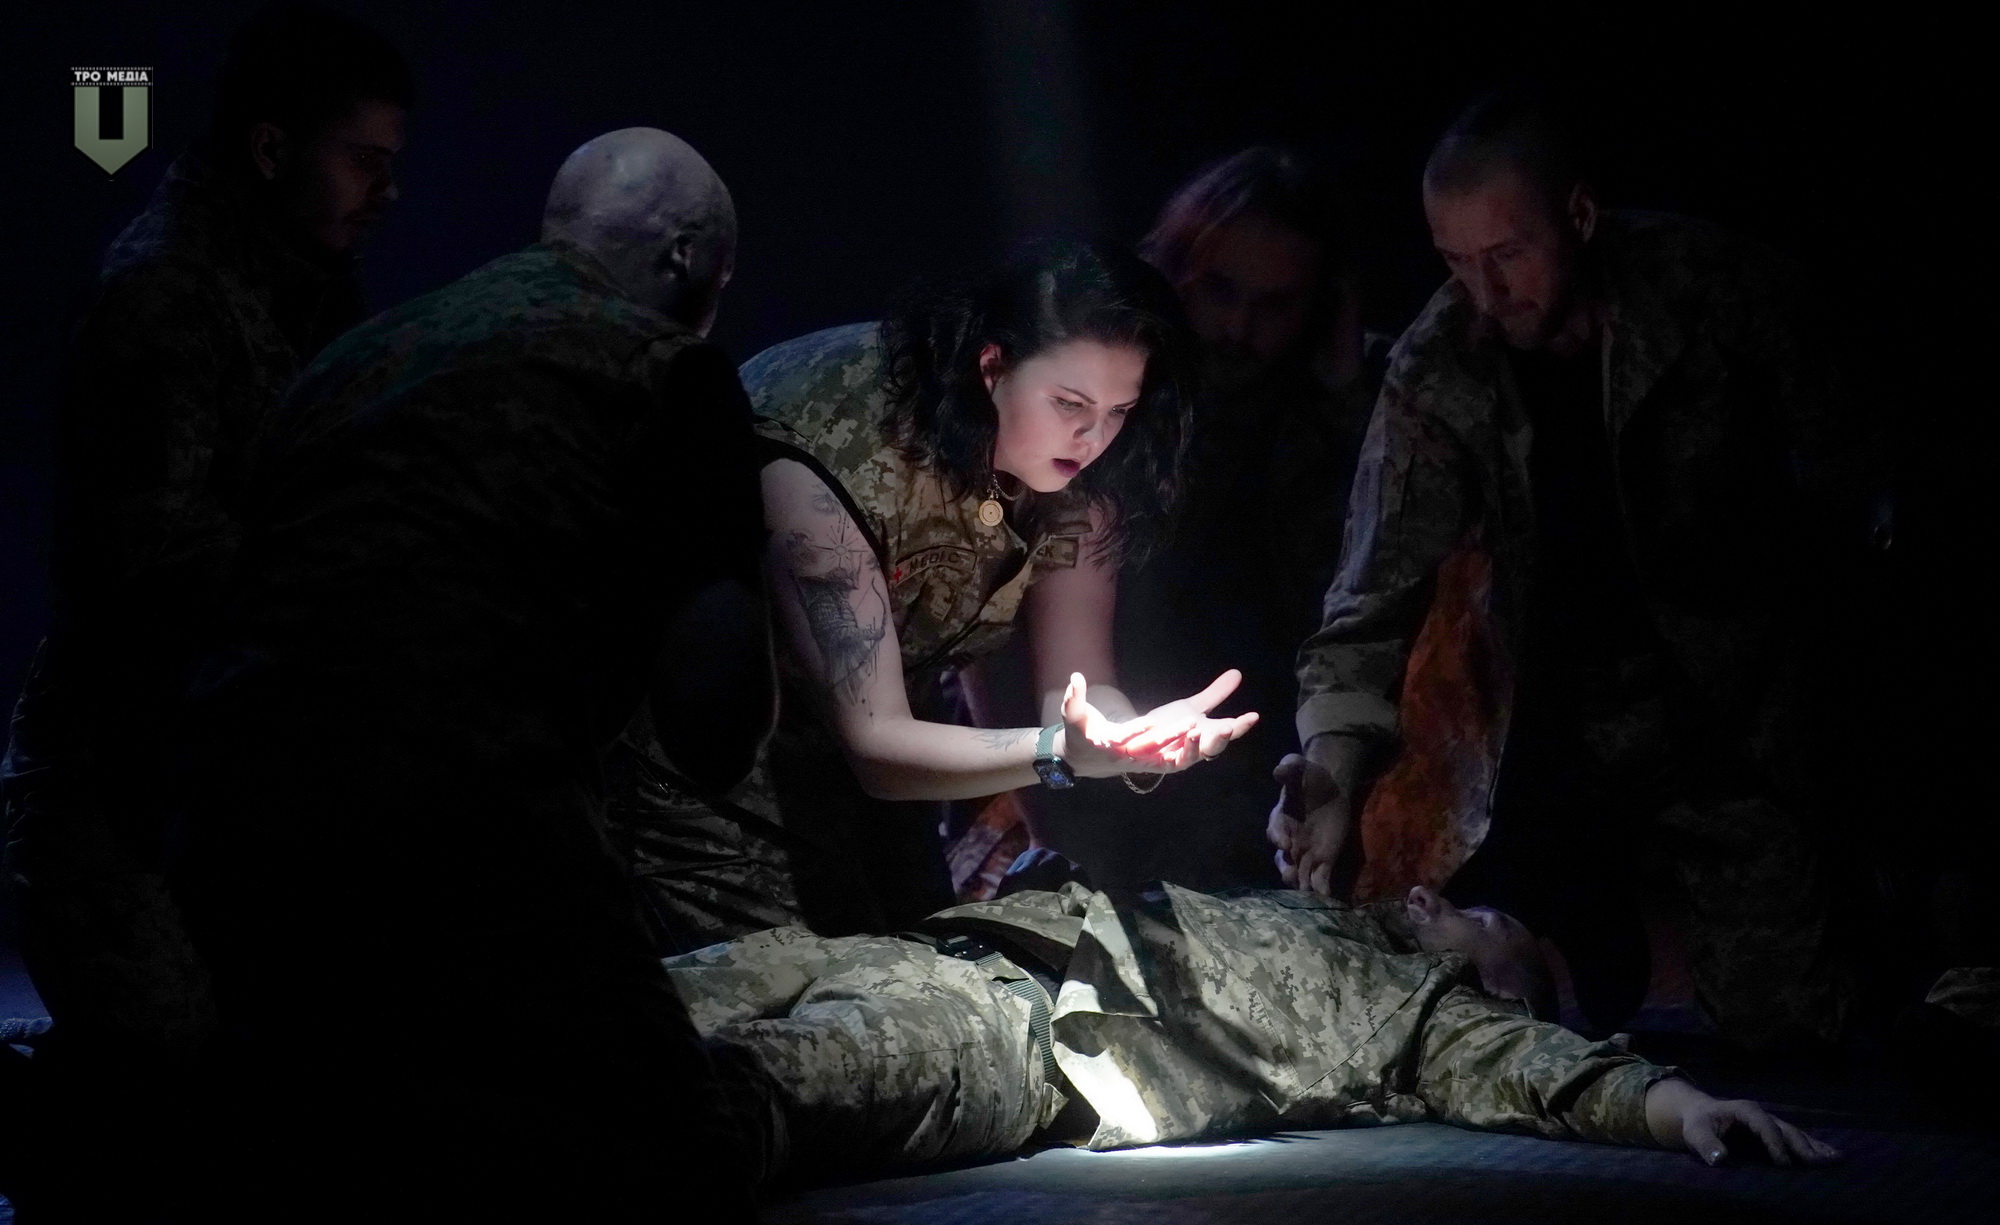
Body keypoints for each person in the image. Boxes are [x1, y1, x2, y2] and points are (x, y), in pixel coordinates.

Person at [167, 127, 772, 1225]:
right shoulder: (663, 371)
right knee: (683, 1185)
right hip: (466, 815)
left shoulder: (357, 356)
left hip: (230, 818)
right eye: (719, 278)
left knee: (372, 1175)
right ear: (685, 257)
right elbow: (712, 727)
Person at [1271, 89, 1873, 1051]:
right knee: (1448, 999)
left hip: (1736, 723)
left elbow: (1854, 500)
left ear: (1580, 216)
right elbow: (1366, 602)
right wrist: (1333, 771)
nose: (1485, 292)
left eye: (1508, 254)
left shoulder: (1716, 293)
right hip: (1537, 748)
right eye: (1455, 261)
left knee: (1797, 1028)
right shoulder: (1442, 364)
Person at [0, 7, 410, 1225]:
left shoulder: (303, 277)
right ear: (273, 148)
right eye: (361, 159)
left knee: (270, 1054)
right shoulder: (166, 296)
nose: (385, 192)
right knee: (157, 1052)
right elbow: (157, 568)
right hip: (122, 772)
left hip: (239, 758)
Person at [614, 237, 1257, 951]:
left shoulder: (1080, 469)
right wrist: (1061, 751)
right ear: (993, 365)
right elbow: (877, 743)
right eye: (1070, 403)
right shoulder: (832, 454)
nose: (1092, 435)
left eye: (1119, 410)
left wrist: (1128, 738)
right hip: (709, 778)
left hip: (884, 782)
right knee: (784, 994)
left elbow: (1076, 684)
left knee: (925, 965)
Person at [670, 874, 1840, 1185]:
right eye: (1499, 938)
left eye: (1512, 980)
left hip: (1021, 1035)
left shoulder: (1419, 1015)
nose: (1502, 996)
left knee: (736, 1096)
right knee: (615, 999)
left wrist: (1680, 1105)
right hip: (949, 940)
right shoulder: (1320, 899)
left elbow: (1547, 1070)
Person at [1007, 148, 1387, 889]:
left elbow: (1357, 589)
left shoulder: (1336, 406)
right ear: (1175, 272)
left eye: (1276, 305)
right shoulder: (1109, 396)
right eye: (1219, 290)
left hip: (1258, 748)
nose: (1239, 327)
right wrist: (1045, 813)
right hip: (1085, 740)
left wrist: (1344, 394)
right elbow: (1003, 618)